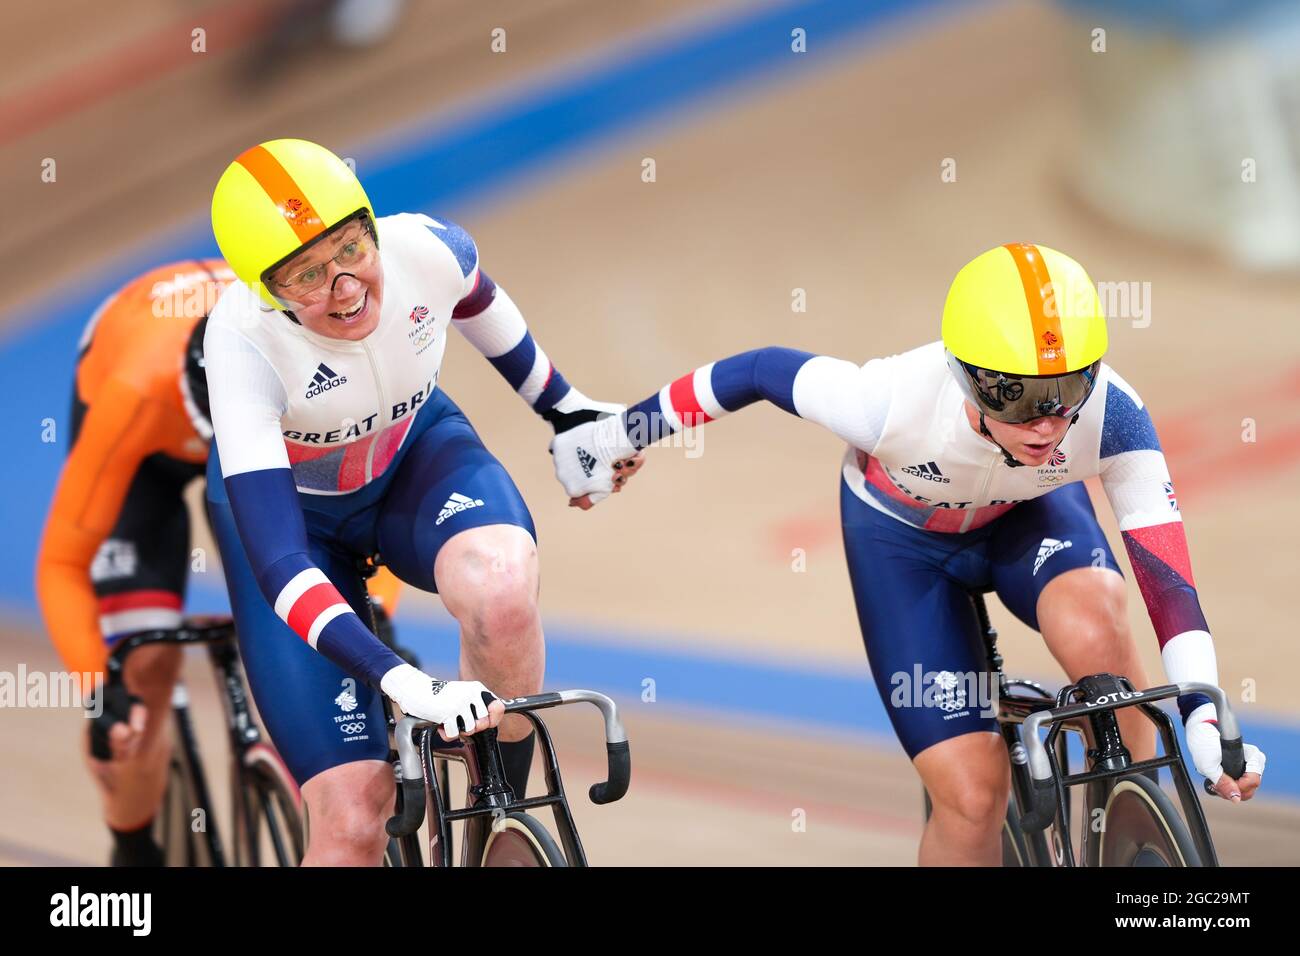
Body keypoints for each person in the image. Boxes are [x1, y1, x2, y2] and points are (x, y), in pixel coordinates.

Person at [552, 242, 1266, 865]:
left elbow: (1168, 581)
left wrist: (1204, 718)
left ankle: (1140, 816)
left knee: (1099, 620)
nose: (1046, 424)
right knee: (971, 797)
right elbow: (756, 371)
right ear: (966, 375)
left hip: (1025, 518)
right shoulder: (886, 401)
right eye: (1015, 397)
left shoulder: (1113, 413)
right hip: (902, 546)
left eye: (1067, 391)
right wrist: (618, 436)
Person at [203, 138, 640, 866]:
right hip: (299, 525)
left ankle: (496, 819)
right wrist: (405, 682)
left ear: (371, 225)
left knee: (501, 589)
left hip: (413, 460)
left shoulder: (424, 249)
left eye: (349, 248)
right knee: (352, 819)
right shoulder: (241, 342)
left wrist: (564, 411)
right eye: (307, 274)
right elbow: (279, 563)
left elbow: (476, 298)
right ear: (267, 291)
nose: (344, 285)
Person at [34, 259, 408, 866]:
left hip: (270, 439)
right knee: (143, 673)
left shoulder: (307, 368)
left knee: (312, 630)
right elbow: (62, 564)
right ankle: (132, 851)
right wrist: (100, 689)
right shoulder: (133, 392)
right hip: (144, 441)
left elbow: (368, 502)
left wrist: (376, 620)